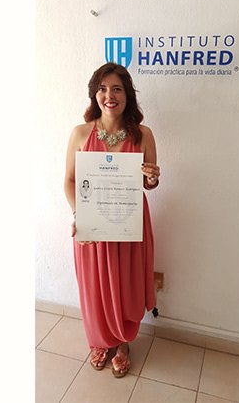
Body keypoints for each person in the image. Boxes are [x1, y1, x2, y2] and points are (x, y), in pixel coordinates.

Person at [64, 62, 161, 378]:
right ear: (94, 94)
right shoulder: (80, 133)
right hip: (92, 225)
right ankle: (100, 342)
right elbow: (69, 181)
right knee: (95, 286)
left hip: (129, 223)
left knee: (125, 284)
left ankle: (122, 344)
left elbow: (148, 182)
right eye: (103, 89)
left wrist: (152, 178)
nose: (110, 95)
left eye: (117, 88)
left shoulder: (143, 134)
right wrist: (80, 214)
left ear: (127, 94)